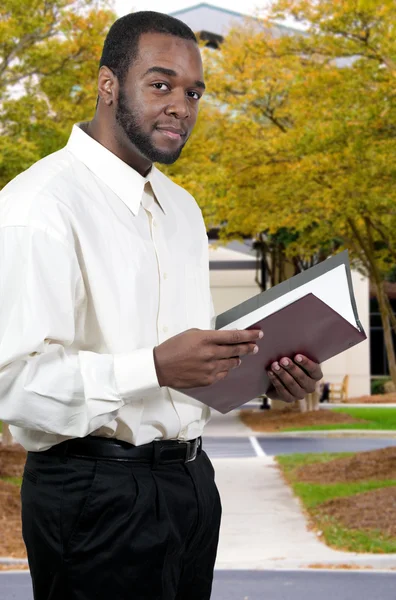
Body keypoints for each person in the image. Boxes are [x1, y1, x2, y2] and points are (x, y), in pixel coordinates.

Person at [0, 11, 323, 600]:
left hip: (192, 486)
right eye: (160, 84)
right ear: (107, 85)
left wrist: (263, 380)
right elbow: (15, 385)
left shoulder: (183, 210)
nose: (181, 104)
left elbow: (186, 365)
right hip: (92, 493)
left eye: (193, 92)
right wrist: (151, 367)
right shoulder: (39, 206)